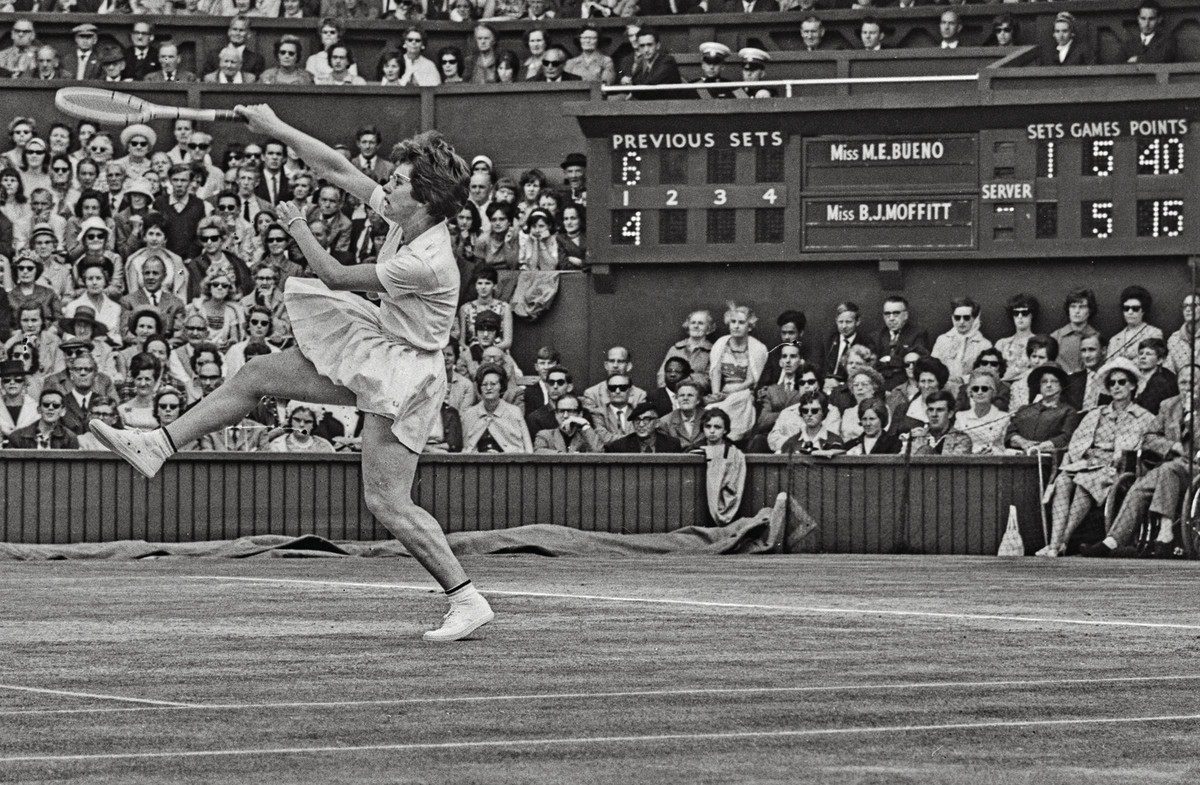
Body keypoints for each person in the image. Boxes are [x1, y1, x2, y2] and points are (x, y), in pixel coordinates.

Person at [91, 105, 494, 642]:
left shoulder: (426, 260)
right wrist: (276, 127)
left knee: (387, 502)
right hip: (379, 343)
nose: (387, 186)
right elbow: (339, 169)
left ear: (423, 199)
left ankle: (466, 600)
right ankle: (159, 444)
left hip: (406, 371)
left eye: (397, 182)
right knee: (257, 372)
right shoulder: (409, 214)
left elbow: (332, 274)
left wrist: (297, 226)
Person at [1082, 362, 1200, 559]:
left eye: (1193, 382)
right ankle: (1112, 541)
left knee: (1167, 470)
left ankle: (1165, 531)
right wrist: (1171, 446)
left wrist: (1191, 417)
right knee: (1139, 487)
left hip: (1196, 468)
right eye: (1183, 382)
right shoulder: (1168, 405)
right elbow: (1148, 437)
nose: (1187, 386)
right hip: (1171, 468)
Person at [1039, 358, 1154, 557]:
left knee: (1085, 482)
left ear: (1133, 385)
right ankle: (1054, 544)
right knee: (1064, 482)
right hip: (1086, 463)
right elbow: (1077, 442)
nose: (1116, 387)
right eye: (1112, 383)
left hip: (1116, 468)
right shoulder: (1096, 414)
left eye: (1122, 382)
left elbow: (1141, 446)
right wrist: (1075, 460)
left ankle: (1059, 543)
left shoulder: (1144, 417)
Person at [706, 303, 768, 441]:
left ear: (750, 326)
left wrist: (727, 395)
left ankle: (732, 439)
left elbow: (751, 380)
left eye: (741, 322)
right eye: (733, 322)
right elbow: (715, 372)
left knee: (738, 402)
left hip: (744, 392)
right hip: (724, 390)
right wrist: (717, 394)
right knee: (712, 408)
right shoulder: (721, 344)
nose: (736, 326)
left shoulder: (758, 348)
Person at [1005, 363, 1080, 455]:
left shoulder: (1068, 412)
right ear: (1039, 386)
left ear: (1061, 385)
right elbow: (1010, 433)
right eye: (1044, 381)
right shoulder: (1024, 410)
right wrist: (1023, 442)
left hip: (1050, 460)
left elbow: (1066, 437)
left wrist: (1040, 447)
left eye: (1054, 381)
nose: (1048, 385)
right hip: (1020, 458)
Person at [931, 297, 992, 392]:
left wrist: (963, 379)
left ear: (974, 319)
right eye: (957, 317)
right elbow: (933, 366)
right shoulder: (942, 340)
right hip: (943, 389)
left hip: (971, 390)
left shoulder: (984, 345)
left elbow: (985, 373)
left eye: (966, 317)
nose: (961, 321)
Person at [697, 408, 746, 526]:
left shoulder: (734, 452)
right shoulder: (693, 450)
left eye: (717, 427)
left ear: (725, 430)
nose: (712, 431)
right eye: (708, 426)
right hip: (700, 505)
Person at [873, 295, 931, 390]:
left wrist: (888, 359)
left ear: (905, 315)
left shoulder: (918, 333)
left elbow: (917, 361)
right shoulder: (876, 337)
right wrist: (901, 358)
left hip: (906, 384)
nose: (891, 318)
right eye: (887, 314)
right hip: (880, 385)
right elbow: (873, 364)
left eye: (896, 314)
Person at [775, 390, 844, 455]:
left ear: (823, 412)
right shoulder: (791, 443)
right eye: (805, 410)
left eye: (814, 410)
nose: (809, 414)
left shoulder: (835, 441)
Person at [6, 388, 78, 449]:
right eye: (46, 404)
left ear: (63, 411)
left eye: (56, 405)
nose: (50, 408)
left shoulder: (70, 438)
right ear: (39, 409)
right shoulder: (17, 437)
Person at [1051, 288, 1101, 375]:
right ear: (1068, 309)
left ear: (1089, 310)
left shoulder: (1097, 337)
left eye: (1082, 307)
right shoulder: (1055, 337)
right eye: (1073, 306)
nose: (1077, 311)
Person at [1107, 285, 1162, 364]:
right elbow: (1108, 364)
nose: (1130, 312)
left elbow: (1150, 361)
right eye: (1126, 308)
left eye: (1135, 308)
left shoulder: (1154, 333)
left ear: (1143, 310)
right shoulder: (1114, 340)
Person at [909, 390, 972, 456]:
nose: (934, 414)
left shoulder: (961, 439)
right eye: (931, 410)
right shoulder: (918, 437)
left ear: (950, 413)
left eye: (939, 410)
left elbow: (953, 464)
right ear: (927, 413)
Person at [533, 393, 602, 453]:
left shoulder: (587, 436)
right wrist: (567, 456)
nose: (565, 416)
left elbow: (600, 453)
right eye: (561, 411)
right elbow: (538, 452)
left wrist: (585, 425)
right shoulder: (545, 435)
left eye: (570, 411)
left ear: (580, 414)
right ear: (556, 414)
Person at [821, 302, 869, 387]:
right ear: (836, 321)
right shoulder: (828, 341)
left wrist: (841, 385)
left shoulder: (865, 344)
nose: (844, 326)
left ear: (857, 322)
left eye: (848, 322)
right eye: (840, 322)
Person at [656, 379, 705, 451]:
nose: (685, 398)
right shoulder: (665, 422)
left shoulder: (709, 417)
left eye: (690, 395)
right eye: (682, 395)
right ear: (677, 399)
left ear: (698, 400)